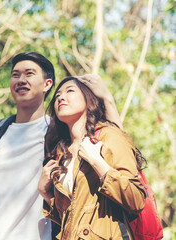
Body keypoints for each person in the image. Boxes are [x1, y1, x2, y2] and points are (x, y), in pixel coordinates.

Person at [0, 52, 121, 240]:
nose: (21, 80)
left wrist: (107, 100)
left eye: (29, 74)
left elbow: (119, 150)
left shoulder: (59, 132)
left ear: (47, 84)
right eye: (15, 75)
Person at [38, 76, 146, 239]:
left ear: (89, 100)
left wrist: (98, 163)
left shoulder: (109, 136)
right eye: (57, 95)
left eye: (70, 91)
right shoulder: (63, 155)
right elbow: (73, 218)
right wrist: (45, 193)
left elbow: (136, 199)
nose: (60, 97)